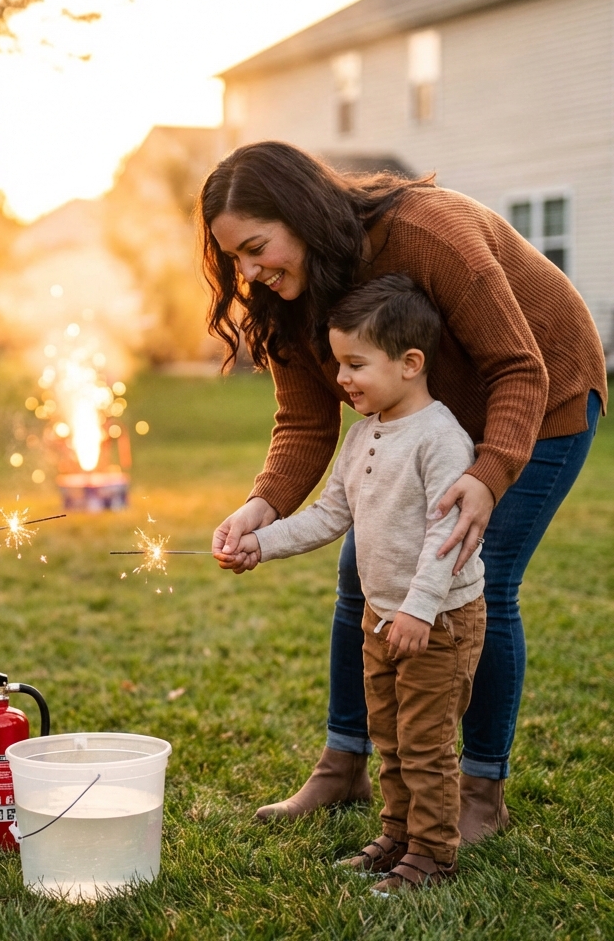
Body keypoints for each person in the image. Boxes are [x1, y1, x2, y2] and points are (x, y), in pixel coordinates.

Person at [204, 142, 605, 840]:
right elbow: (304, 421)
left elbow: (519, 367)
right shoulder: (289, 296)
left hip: (541, 400)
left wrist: (486, 474)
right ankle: (343, 765)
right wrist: (260, 508)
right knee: (359, 574)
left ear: (300, 215)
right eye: (235, 257)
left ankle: (480, 789)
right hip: (416, 425)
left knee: (481, 579)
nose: (249, 271)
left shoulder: (428, 233)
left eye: (258, 247)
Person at [236, 275, 485, 894]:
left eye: (355, 364)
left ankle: (432, 855)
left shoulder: (440, 440)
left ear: (410, 364)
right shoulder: (362, 434)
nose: (341, 378)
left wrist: (419, 612)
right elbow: (329, 516)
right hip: (380, 620)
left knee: (426, 745)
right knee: (390, 740)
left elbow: (446, 541)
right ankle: (397, 835)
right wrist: (259, 544)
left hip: (436, 623)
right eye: (338, 363)